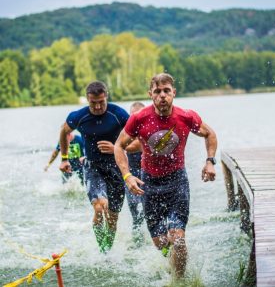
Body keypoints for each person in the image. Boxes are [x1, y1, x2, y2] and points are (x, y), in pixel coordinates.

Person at [114, 73, 217, 278]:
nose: (162, 95)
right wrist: (127, 176)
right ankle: (173, 264)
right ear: (150, 94)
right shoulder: (139, 118)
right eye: (158, 91)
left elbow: (210, 134)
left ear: (173, 93)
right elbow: (119, 145)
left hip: (177, 180)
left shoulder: (186, 116)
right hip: (149, 183)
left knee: (177, 238)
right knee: (161, 243)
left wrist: (210, 161)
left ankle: (178, 281)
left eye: (166, 91)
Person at [59, 81, 130, 253]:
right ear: (88, 99)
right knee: (99, 206)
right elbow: (63, 131)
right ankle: (102, 250)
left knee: (113, 218)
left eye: (101, 102)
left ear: (106, 96)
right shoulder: (79, 116)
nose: (98, 107)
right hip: (93, 167)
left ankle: (107, 250)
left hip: (115, 166)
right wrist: (64, 158)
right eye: (93, 103)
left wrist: (116, 148)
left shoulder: (118, 114)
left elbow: (136, 139)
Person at [126, 102, 145, 245]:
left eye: (139, 114)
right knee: (135, 209)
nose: (136, 118)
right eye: (133, 115)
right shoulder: (126, 132)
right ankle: (138, 240)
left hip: (149, 174)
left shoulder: (151, 130)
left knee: (149, 208)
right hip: (131, 175)